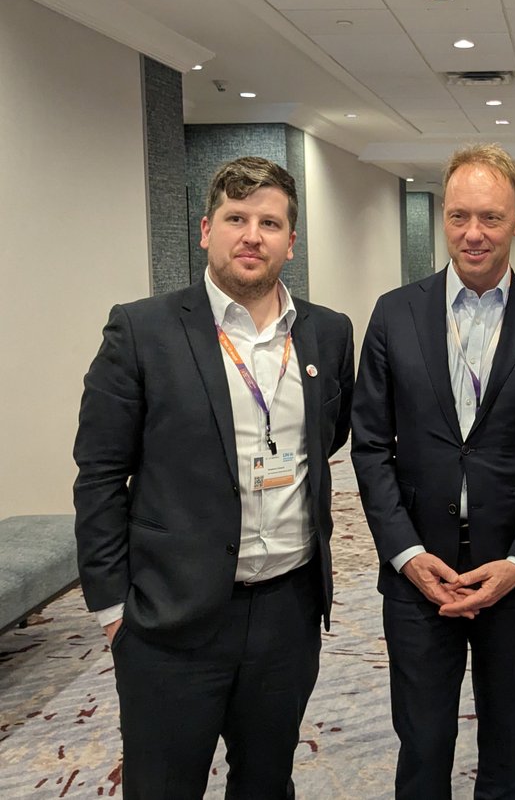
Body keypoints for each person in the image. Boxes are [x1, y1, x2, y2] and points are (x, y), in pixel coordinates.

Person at [72, 157, 355, 799]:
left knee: (266, 782)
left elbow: (328, 438)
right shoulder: (141, 330)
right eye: (235, 218)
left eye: (269, 222)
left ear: (290, 240)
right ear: (206, 230)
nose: (251, 235)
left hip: (287, 611)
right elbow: (99, 476)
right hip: (172, 618)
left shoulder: (328, 334)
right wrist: (116, 610)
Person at [352, 142, 515, 799]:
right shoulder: (393, 313)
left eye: (489, 217)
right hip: (417, 574)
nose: (473, 234)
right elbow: (370, 445)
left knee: (508, 746)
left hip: (514, 574)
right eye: (458, 217)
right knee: (423, 747)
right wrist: (404, 552)